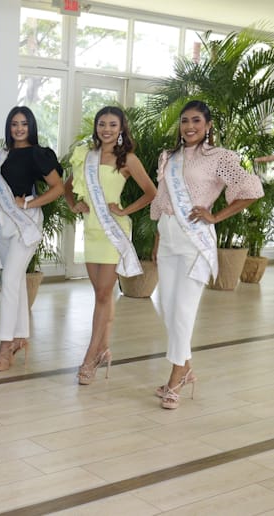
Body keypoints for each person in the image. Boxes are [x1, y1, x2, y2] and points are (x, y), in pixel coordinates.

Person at [150, 99, 262, 409]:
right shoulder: (167, 157)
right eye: (185, 121)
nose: (189, 126)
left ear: (208, 125)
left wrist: (216, 216)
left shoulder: (220, 157)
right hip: (169, 238)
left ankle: (175, 379)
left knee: (183, 311)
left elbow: (250, 189)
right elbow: (161, 201)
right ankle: (185, 369)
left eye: (196, 121)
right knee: (167, 308)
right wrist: (158, 242)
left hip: (195, 242)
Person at [64, 106, 156, 385]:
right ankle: (104, 348)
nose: (106, 129)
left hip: (113, 230)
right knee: (100, 294)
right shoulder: (87, 156)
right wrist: (74, 204)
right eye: (102, 124)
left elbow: (152, 192)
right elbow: (68, 187)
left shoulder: (127, 159)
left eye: (112, 125)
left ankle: (90, 355)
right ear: (96, 127)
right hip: (92, 230)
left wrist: (125, 211)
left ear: (121, 129)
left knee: (104, 295)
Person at [0, 106, 64, 372]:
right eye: (14, 123)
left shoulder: (39, 155)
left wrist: (29, 204)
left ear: (31, 127)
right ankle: (20, 337)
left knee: (11, 281)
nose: (19, 128)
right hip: (3, 222)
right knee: (12, 280)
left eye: (24, 124)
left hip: (26, 223)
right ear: (9, 126)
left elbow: (58, 188)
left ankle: (5, 346)